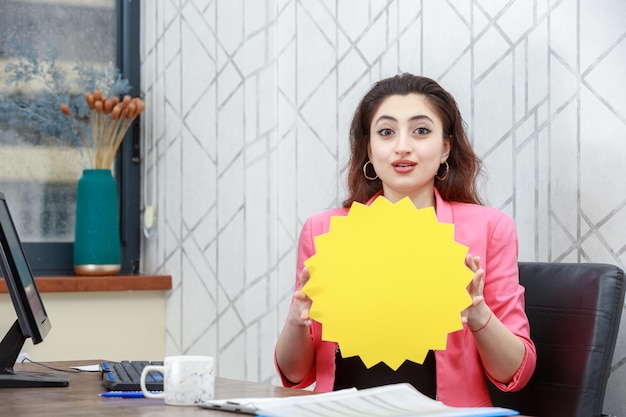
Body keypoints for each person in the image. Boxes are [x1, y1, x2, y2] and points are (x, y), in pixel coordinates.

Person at [274, 73, 536, 407]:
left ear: (445, 147)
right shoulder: (323, 231)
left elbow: (516, 374)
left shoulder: (489, 229)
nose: (402, 146)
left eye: (421, 131)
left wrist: (479, 315)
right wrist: (298, 318)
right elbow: (295, 376)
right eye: (386, 132)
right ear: (369, 148)